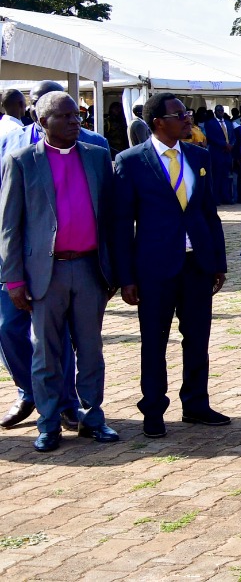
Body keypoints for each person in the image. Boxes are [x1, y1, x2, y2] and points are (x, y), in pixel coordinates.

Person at [0, 91, 117, 452]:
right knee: (45, 354)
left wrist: (113, 272)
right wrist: (14, 279)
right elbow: (9, 226)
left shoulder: (97, 157)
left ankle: (92, 417)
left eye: (76, 116)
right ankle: (48, 423)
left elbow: (111, 220)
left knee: (90, 348)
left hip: (88, 268)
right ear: (42, 122)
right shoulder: (21, 161)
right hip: (44, 273)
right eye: (64, 117)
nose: (73, 122)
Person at [110, 92, 231, 437]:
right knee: (154, 340)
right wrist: (126, 277)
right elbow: (121, 224)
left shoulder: (198, 155)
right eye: (179, 114)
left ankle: (195, 403)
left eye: (187, 113)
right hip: (154, 268)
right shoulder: (131, 161)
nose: (187, 118)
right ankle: (153, 409)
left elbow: (209, 214)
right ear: (157, 122)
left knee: (197, 338)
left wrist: (217, 262)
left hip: (196, 265)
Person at [201, 106, 235, 205]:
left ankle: (226, 197)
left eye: (222, 111)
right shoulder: (210, 123)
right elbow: (211, 137)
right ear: (215, 112)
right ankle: (216, 199)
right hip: (217, 153)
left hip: (227, 154)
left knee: (226, 176)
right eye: (218, 111)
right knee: (216, 176)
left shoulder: (229, 123)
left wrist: (231, 145)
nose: (220, 112)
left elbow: (233, 136)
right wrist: (224, 144)